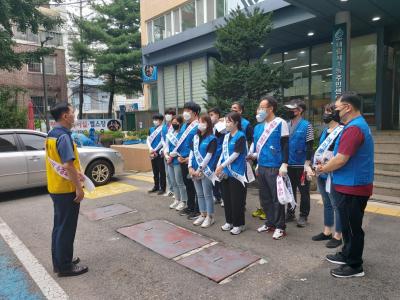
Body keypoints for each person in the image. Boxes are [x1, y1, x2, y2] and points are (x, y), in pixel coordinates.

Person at [317, 92, 374, 278]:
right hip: (348, 184)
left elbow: (341, 159)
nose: (334, 111)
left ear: (348, 107)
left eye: (337, 108)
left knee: (352, 227)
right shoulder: (354, 126)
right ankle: (346, 254)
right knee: (348, 225)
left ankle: (355, 265)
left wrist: (322, 168)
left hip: (353, 186)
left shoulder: (354, 128)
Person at [46, 102, 88, 277]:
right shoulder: (63, 137)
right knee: (66, 228)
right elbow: (68, 165)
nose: (74, 115)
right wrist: (79, 189)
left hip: (56, 187)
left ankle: (60, 261)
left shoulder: (51, 134)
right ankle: (65, 266)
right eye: (72, 112)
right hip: (66, 189)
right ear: (65, 116)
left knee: (59, 226)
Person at [248, 96, 289, 240]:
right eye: (259, 107)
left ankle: (280, 226)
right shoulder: (258, 127)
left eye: (262, 107)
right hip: (262, 165)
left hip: (275, 166)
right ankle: (270, 222)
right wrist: (254, 159)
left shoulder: (280, 123)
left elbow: (285, 145)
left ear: (270, 108)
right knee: (264, 197)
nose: (259, 110)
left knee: (276, 198)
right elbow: (257, 146)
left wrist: (284, 163)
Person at [312, 103, 343, 249]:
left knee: (336, 204)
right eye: (325, 111)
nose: (326, 114)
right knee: (326, 202)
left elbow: (340, 154)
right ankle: (327, 231)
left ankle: (338, 235)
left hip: (333, 172)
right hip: (321, 171)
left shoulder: (342, 130)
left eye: (329, 111)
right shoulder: (325, 131)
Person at [215, 112, 248, 235]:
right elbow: (223, 154)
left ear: (236, 123)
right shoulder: (226, 136)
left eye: (229, 121)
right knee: (227, 198)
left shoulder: (241, 136)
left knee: (237, 200)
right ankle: (229, 221)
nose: (226, 124)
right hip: (225, 173)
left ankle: (239, 224)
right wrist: (219, 166)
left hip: (236, 173)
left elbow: (236, 154)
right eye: (226, 121)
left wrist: (222, 165)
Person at [284, 99, 314, 227]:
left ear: (300, 110)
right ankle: (290, 213)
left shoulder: (307, 125)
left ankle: (303, 216)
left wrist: (307, 165)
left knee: (304, 192)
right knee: (289, 190)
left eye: (292, 109)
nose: (290, 111)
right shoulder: (286, 124)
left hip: (302, 165)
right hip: (288, 164)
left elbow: (310, 146)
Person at [171, 102, 201, 220]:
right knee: (188, 184)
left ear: (195, 113)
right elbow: (180, 142)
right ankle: (190, 206)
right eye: (185, 110)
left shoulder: (198, 125)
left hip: (193, 160)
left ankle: (198, 209)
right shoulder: (184, 126)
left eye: (188, 110)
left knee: (196, 186)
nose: (185, 113)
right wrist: (178, 155)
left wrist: (189, 158)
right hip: (182, 159)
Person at [189, 114, 218, 228]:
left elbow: (209, 156)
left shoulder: (212, 139)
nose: (200, 124)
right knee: (199, 194)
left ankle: (210, 217)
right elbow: (191, 153)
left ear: (208, 124)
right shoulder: (195, 138)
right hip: (194, 171)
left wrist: (200, 169)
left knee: (207, 194)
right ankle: (202, 214)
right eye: (199, 121)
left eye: (203, 122)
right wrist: (190, 167)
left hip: (205, 171)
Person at [164, 116, 188, 210]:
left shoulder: (182, 135)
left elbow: (182, 149)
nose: (174, 124)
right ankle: (177, 200)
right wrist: (166, 155)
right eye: (172, 123)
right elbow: (166, 146)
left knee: (179, 182)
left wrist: (172, 156)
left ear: (180, 123)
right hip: (169, 161)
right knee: (173, 182)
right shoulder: (170, 134)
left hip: (177, 160)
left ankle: (183, 201)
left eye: (176, 122)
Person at [208, 107, 224, 207]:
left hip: (220, 154)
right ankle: (216, 195)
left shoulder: (222, 125)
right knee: (213, 176)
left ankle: (223, 197)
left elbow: (223, 132)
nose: (211, 117)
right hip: (212, 155)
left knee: (220, 176)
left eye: (212, 115)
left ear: (218, 115)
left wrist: (220, 121)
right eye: (209, 115)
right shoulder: (211, 127)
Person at [147, 114, 166, 195]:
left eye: (157, 119)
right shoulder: (151, 129)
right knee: (155, 171)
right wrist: (150, 148)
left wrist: (155, 149)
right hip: (152, 152)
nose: (155, 121)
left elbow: (163, 141)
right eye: (154, 119)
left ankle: (162, 188)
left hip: (159, 152)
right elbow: (147, 139)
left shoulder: (163, 129)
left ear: (161, 121)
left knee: (161, 171)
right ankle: (156, 186)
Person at [162, 108, 176, 197]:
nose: (167, 116)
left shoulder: (176, 125)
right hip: (165, 152)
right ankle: (170, 189)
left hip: (173, 153)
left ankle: (176, 191)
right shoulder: (164, 127)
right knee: (168, 173)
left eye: (169, 114)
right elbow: (163, 139)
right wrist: (164, 150)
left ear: (173, 115)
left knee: (175, 174)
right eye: (166, 114)